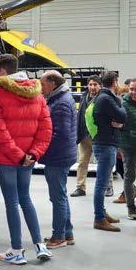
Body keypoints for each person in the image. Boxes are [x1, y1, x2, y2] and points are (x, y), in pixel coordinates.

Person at [0, 54, 53, 265]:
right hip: (28, 159)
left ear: (2, 71)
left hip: (7, 158)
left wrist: (17, 155)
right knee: (26, 199)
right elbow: (46, 130)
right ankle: (40, 245)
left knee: (12, 203)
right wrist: (32, 154)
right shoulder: (38, 94)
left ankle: (16, 250)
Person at [40, 71, 77, 249]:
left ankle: (59, 237)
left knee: (58, 198)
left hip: (58, 157)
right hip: (61, 155)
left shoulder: (60, 103)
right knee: (60, 195)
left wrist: (41, 148)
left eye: (43, 84)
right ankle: (67, 234)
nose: (41, 87)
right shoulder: (60, 98)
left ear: (53, 83)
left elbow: (60, 134)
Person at [87, 71, 127, 232]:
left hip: (104, 143)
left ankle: (102, 213)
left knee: (102, 182)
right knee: (101, 183)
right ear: (115, 82)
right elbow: (123, 115)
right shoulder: (107, 98)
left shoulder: (103, 97)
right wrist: (120, 103)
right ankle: (99, 218)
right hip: (105, 145)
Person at [71, 75, 114, 197]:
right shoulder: (83, 96)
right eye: (90, 84)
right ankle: (80, 188)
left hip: (100, 137)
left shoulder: (104, 98)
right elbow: (80, 115)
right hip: (85, 136)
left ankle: (108, 187)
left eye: (95, 84)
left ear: (100, 86)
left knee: (104, 163)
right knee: (82, 162)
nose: (92, 87)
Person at [113, 78, 136, 204]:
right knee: (127, 175)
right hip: (128, 146)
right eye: (131, 89)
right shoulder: (123, 105)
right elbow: (115, 123)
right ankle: (130, 207)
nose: (133, 92)